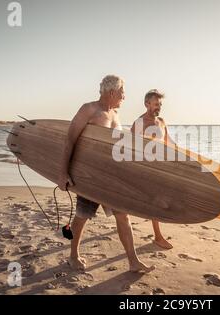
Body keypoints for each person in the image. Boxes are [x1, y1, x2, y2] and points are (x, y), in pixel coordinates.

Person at [58, 75, 155, 273]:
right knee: (82, 216)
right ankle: (73, 256)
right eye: (122, 93)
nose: (124, 97)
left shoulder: (116, 115)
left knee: (123, 215)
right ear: (112, 92)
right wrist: (63, 172)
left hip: (110, 177)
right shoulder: (89, 109)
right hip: (89, 176)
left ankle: (133, 261)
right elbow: (70, 140)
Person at [130, 89, 175, 250]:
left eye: (160, 104)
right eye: (156, 104)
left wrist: (183, 158)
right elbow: (130, 147)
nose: (159, 107)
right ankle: (158, 237)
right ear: (147, 104)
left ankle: (123, 218)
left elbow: (169, 143)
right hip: (147, 168)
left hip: (162, 167)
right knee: (156, 201)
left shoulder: (161, 121)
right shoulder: (139, 123)